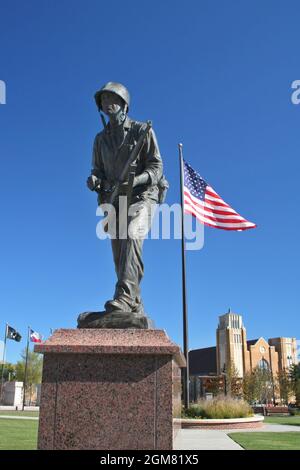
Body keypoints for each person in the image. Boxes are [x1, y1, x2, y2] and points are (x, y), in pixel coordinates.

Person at [85, 82, 166, 318]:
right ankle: (135, 303)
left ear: (124, 104)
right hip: (115, 200)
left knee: (132, 234)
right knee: (121, 256)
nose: (107, 102)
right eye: (103, 99)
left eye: (112, 98)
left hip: (144, 195)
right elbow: (97, 170)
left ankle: (124, 296)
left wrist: (137, 180)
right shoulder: (100, 140)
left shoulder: (142, 130)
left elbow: (157, 166)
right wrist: (94, 180)